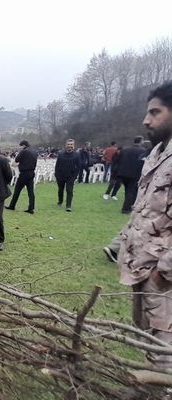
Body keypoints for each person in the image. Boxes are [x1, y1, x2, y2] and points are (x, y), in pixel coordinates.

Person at [118, 81, 172, 368]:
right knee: (150, 342)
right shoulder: (156, 154)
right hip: (143, 268)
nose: (146, 120)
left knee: (165, 354)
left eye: (155, 112)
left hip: (165, 279)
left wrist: (163, 274)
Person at [5, 140, 38, 213]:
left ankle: (12, 206)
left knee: (17, 190)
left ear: (23, 145)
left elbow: (17, 160)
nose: (19, 148)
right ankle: (31, 208)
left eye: (20, 146)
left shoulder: (24, 151)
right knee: (30, 191)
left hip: (24, 173)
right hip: (32, 172)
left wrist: (19, 154)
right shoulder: (34, 152)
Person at [116, 136, 146, 214]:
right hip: (135, 174)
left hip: (123, 173)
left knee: (127, 190)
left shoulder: (125, 150)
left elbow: (118, 160)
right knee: (132, 191)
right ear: (141, 141)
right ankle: (126, 208)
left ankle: (128, 205)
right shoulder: (143, 151)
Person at [54, 139, 80, 212]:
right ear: (66, 145)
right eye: (68, 144)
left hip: (70, 176)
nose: (70, 146)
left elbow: (78, 166)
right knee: (60, 190)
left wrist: (75, 176)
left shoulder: (76, 155)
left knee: (69, 190)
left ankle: (68, 206)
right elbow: (57, 165)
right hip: (60, 176)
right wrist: (56, 174)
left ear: (73, 146)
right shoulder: (61, 154)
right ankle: (60, 201)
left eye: (71, 144)